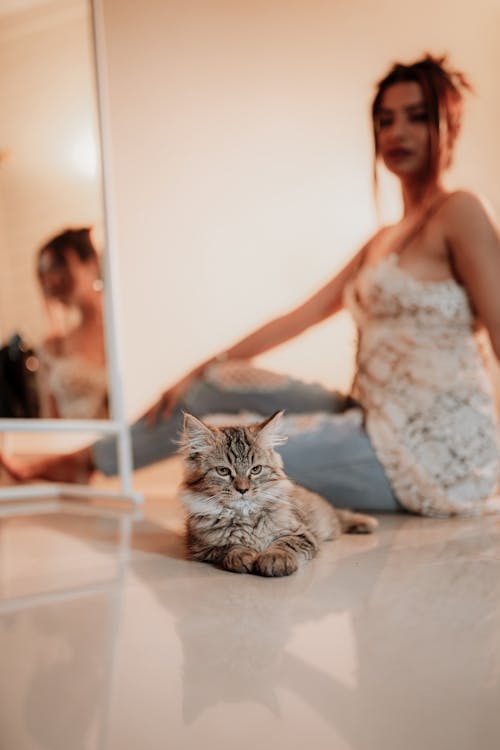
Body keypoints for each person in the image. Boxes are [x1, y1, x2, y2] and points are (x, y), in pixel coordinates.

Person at [2, 54, 500, 517]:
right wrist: (201, 369)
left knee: (231, 465)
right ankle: (83, 461)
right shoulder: (382, 239)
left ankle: (93, 464)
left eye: (416, 116)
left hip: (433, 442)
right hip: (369, 411)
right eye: (385, 120)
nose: (398, 132)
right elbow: (299, 316)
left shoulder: (460, 211)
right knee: (213, 384)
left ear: (447, 126)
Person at [34, 227, 108, 419]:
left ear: (91, 264)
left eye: (59, 266)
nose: (53, 280)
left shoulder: (121, 332)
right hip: (71, 445)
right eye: (46, 273)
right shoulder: (52, 347)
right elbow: (50, 420)